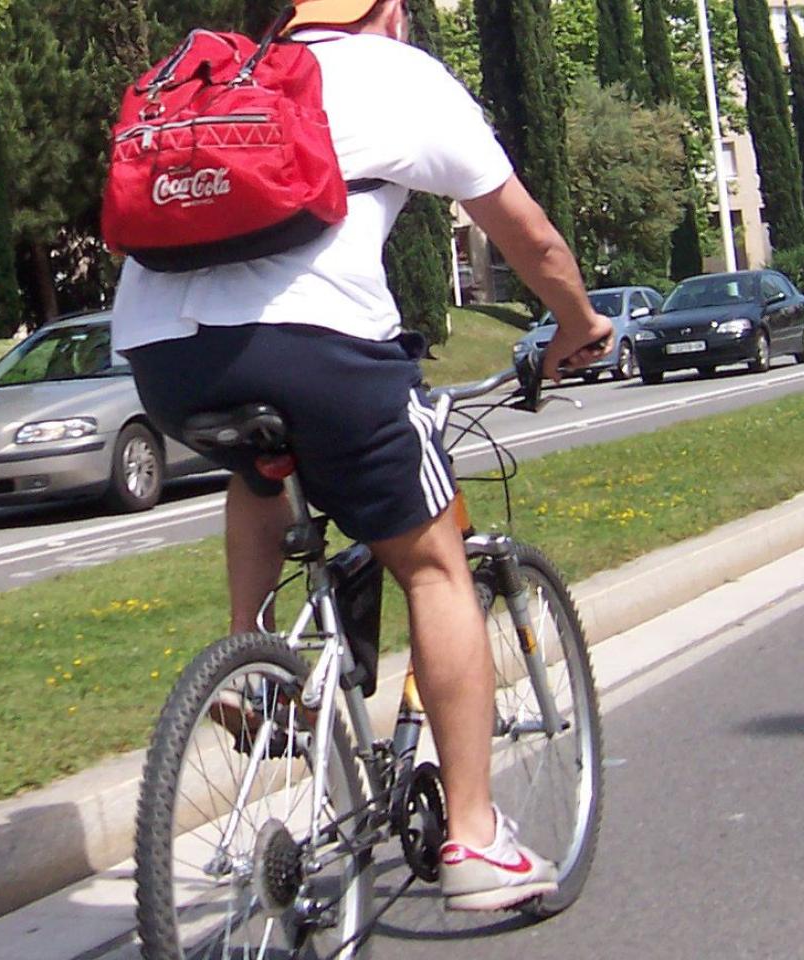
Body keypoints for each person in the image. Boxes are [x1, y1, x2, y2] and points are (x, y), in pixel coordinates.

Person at [109, 0, 612, 912]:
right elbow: (530, 237)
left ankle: (256, 663)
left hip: (163, 360)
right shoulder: (400, 73)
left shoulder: (228, 78)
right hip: (318, 348)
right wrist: (578, 325)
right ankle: (474, 839)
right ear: (391, 12)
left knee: (260, 466)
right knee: (433, 565)